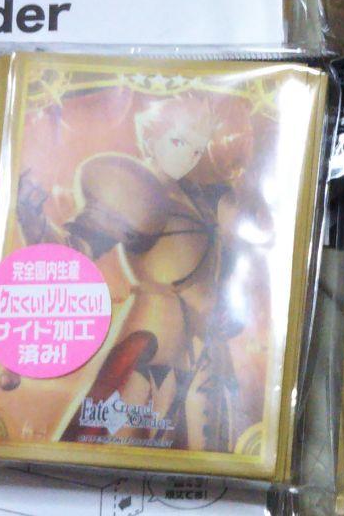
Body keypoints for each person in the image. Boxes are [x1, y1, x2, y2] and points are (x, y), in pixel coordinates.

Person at [14, 92, 257, 452]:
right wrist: (34, 222)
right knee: (116, 446)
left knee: (203, 458)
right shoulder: (136, 188)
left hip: (203, 357)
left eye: (195, 149)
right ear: (151, 138)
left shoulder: (200, 197)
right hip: (149, 351)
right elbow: (77, 250)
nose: (186, 157)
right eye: (178, 141)